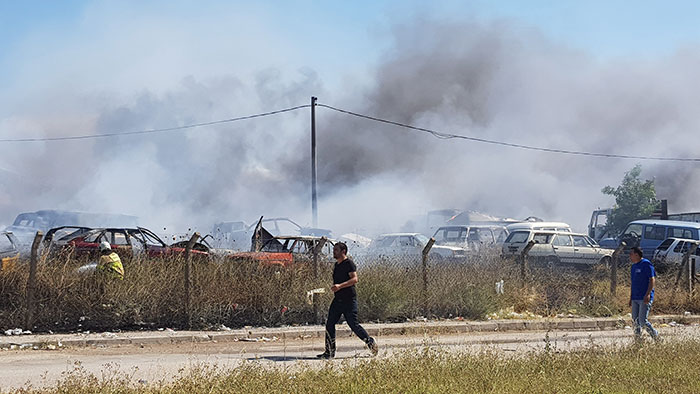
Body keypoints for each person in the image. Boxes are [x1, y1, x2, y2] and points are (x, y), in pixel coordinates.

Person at [317, 242, 378, 359]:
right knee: (329, 324)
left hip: (349, 299)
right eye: (334, 250)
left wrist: (340, 286)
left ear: (343, 251)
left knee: (353, 325)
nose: (333, 252)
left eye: (336, 250)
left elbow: (355, 279)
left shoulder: (348, 263)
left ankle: (370, 342)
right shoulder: (337, 265)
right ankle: (329, 352)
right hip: (338, 299)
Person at [629, 246, 658, 340]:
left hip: (644, 297)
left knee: (642, 321)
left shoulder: (646, 264)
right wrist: (631, 297)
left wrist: (648, 294)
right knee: (635, 321)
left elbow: (652, 280)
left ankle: (656, 337)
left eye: (631, 254)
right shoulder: (633, 267)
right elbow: (633, 283)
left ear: (637, 255)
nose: (630, 256)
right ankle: (638, 340)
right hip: (635, 297)